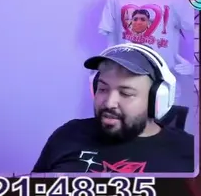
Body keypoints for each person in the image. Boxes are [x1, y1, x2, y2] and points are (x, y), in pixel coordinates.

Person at [32, 43, 195, 175]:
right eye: (103, 89)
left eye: (126, 93)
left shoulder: (189, 153)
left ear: (157, 98)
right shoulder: (68, 134)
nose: (110, 103)